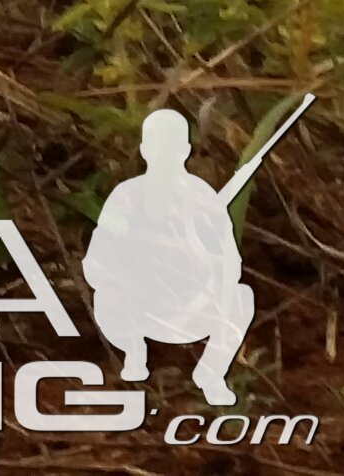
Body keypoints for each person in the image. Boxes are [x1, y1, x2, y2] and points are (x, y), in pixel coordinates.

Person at [84, 106, 260, 406]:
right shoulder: (125, 197)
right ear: (143, 150)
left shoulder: (203, 198)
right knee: (106, 296)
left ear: (185, 151)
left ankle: (211, 374)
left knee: (242, 298)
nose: (164, 154)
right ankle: (134, 353)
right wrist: (130, 272)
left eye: (172, 146)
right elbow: (95, 262)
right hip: (138, 308)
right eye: (157, 146)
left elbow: (231, 261)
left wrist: (208, 270)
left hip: (193, 308)